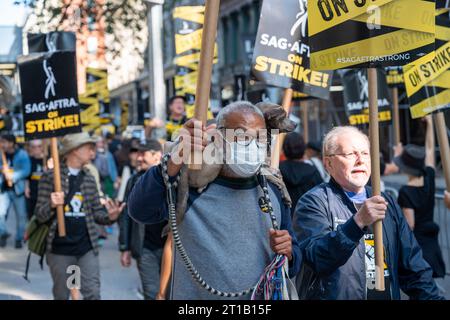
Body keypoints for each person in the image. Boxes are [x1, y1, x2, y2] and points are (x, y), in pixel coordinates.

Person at [128, 101, 301, 299]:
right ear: (219, 138)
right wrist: (173, 162)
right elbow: (140, 210)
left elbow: (294, 258)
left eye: (259, 138)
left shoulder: (273, 189)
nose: (252, 145)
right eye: (242, 137)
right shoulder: (190, 187)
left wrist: (290, 252)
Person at [293, 126, 444, 300]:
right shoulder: (314, 202)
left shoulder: (386, 201)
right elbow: (317, 259)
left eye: (365, 153)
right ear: (328, 163)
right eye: (350, 154)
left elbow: (413, 267)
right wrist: (357, 223)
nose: (360, 160)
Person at [34, 132, 124, 300]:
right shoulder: (50, 177)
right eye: (89, 147)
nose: (93, 151)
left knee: (92, 293)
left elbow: (97, 214)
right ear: (74, 150)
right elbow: (40, 214)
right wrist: (52, 205)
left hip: (86, 248)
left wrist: (111, 217)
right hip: (60, 250)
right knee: (63, 294)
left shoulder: (89, 178)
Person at [395, 116, 446, 279]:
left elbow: (410, 225)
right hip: (432, 245)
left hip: (418, 248)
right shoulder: (429, 177)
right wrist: (430, 125)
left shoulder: (406, 191)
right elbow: (430, 149)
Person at [118, 139, 165, 300]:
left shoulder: (171, 178)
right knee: (151, 294)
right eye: (137, 154)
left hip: (171, 249)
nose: (138, 158)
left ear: (157, 156)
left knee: (172, 293)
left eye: (142, 154)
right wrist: (124, 247)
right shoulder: (133, 181)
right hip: (145, 248)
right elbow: (125, 216)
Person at [280, 132, 323, 216]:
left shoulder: (277, 169)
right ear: (304, 148)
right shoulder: (313, 170)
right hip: (308, 217)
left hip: (284, 218)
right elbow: (321, 197)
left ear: (284, 148)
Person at [0, 133, 31, 248]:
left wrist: (12, 176)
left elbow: (26, 171)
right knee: (1, 214)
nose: (2, 144)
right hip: (4, 189)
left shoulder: (22, 154)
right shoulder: (1, 154)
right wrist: (2, 170)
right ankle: (2, 234)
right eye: (1, 142)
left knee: (21, 216)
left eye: (4, 142)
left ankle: (19, 238)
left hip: (18, 190)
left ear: (12, 143)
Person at [25, 139, 46, 220]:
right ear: (30, 148)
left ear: (42, 147)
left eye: (39, 146)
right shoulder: (29, 160)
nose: (36, 149)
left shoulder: (48, 159)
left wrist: (47, 170)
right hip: (33, 191)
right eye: (33, 147)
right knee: (31, 215)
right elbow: (27, 176)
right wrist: (26, 187)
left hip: (44, 191)